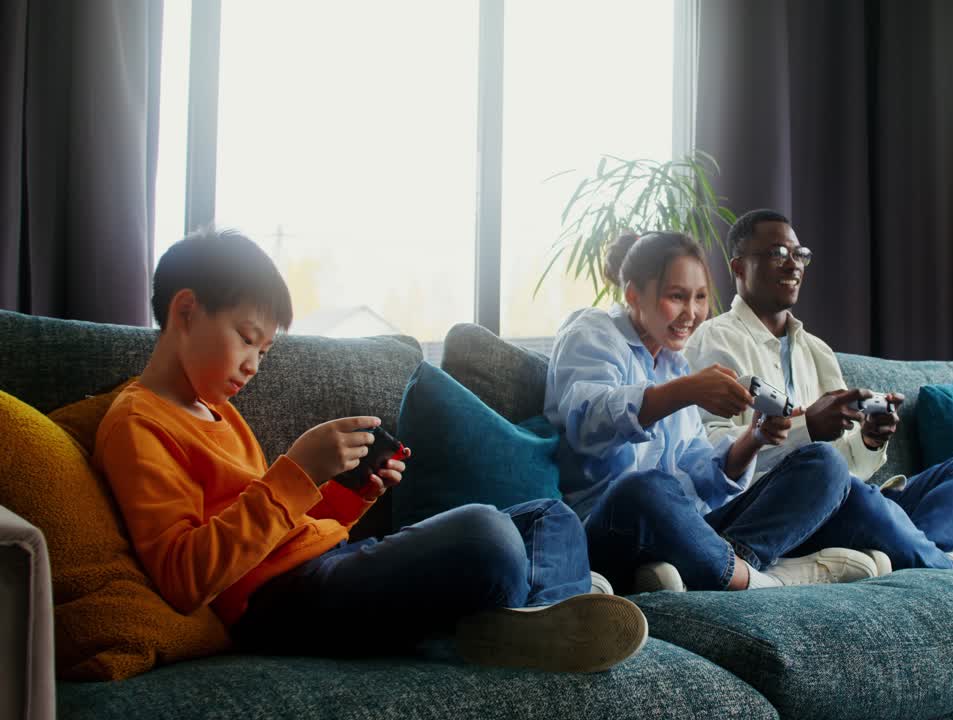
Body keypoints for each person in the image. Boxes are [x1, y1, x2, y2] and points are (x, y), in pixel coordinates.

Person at [93, 228, 647, 673]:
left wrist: (347, 494)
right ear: (186, 311)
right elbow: (184, 578)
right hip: (276, 605)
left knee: (550, 516)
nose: (253, 365)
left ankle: (537, 619)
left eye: (263, 349)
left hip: (323, 568)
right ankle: (536, 604)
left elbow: (278, 528)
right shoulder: (138, 423)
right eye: (246, 337)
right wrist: (299, 470)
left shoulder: (220, 412)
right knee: (487, 534)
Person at [684, 209, 953, 574]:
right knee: (836, 477)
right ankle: (945, 560)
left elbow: (848, 463)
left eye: (800, 254)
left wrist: (869, 440)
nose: (793, 264)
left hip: (848, 497)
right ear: (738, 267)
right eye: (778, 254)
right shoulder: (715, 340)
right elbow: (712, 454)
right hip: (783, 505)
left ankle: (899, 545)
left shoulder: (816, 350)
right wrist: (806, 427)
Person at [544, 231, 892, 595]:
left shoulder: (674, 366)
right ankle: (761, 580)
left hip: (685, 530)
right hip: (608, 528)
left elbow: (700, 477)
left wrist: (753, 439)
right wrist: (685, 392)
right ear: (633, 294)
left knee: (824, 463)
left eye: (700, 298)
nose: (691, 314)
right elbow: (586, 418)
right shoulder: (594, 331)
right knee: (644, 488)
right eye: (676, 297)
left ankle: (724, 564)